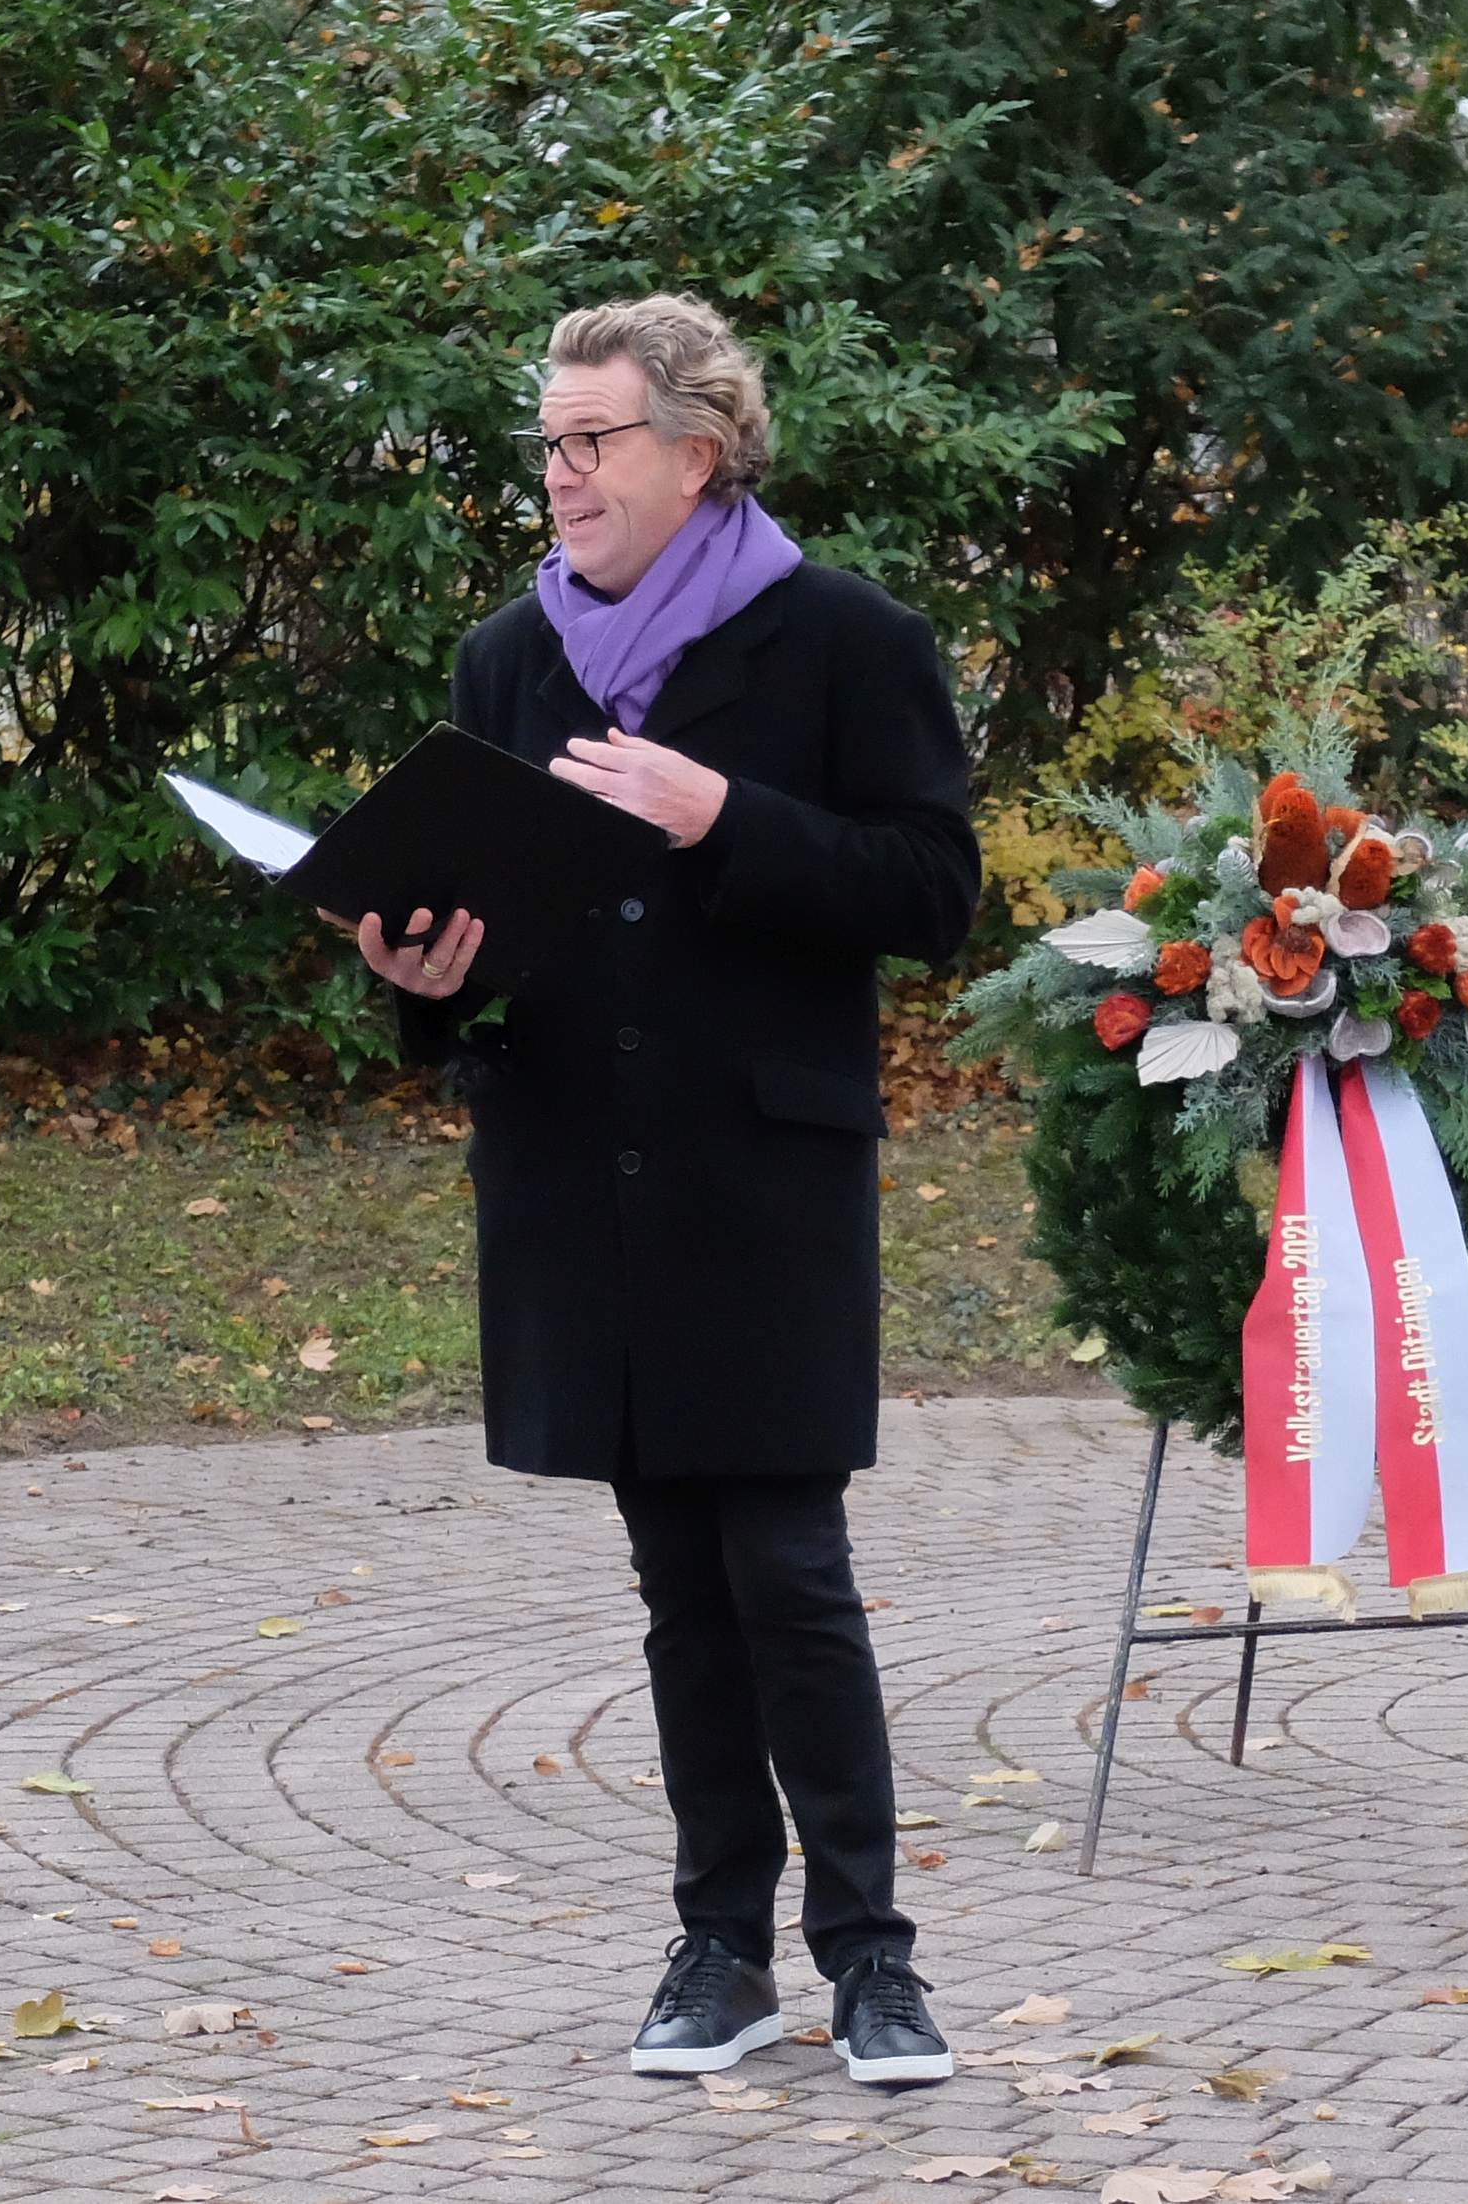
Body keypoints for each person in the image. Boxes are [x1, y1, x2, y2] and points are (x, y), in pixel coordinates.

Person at [349, 294, 979, 2088]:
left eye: (592, 443)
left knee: (786, 1566)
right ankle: (720, 1951)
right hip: (574, 1176)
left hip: (757, 1176)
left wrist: (727, 818)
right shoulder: (508, 664)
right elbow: (474, 932)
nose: (560, 479)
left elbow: (934, 891)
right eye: (547, 445)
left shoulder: (844, 641)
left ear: (697, 454)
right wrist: (419, 977)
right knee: (673, 1584)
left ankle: (872, 1958)